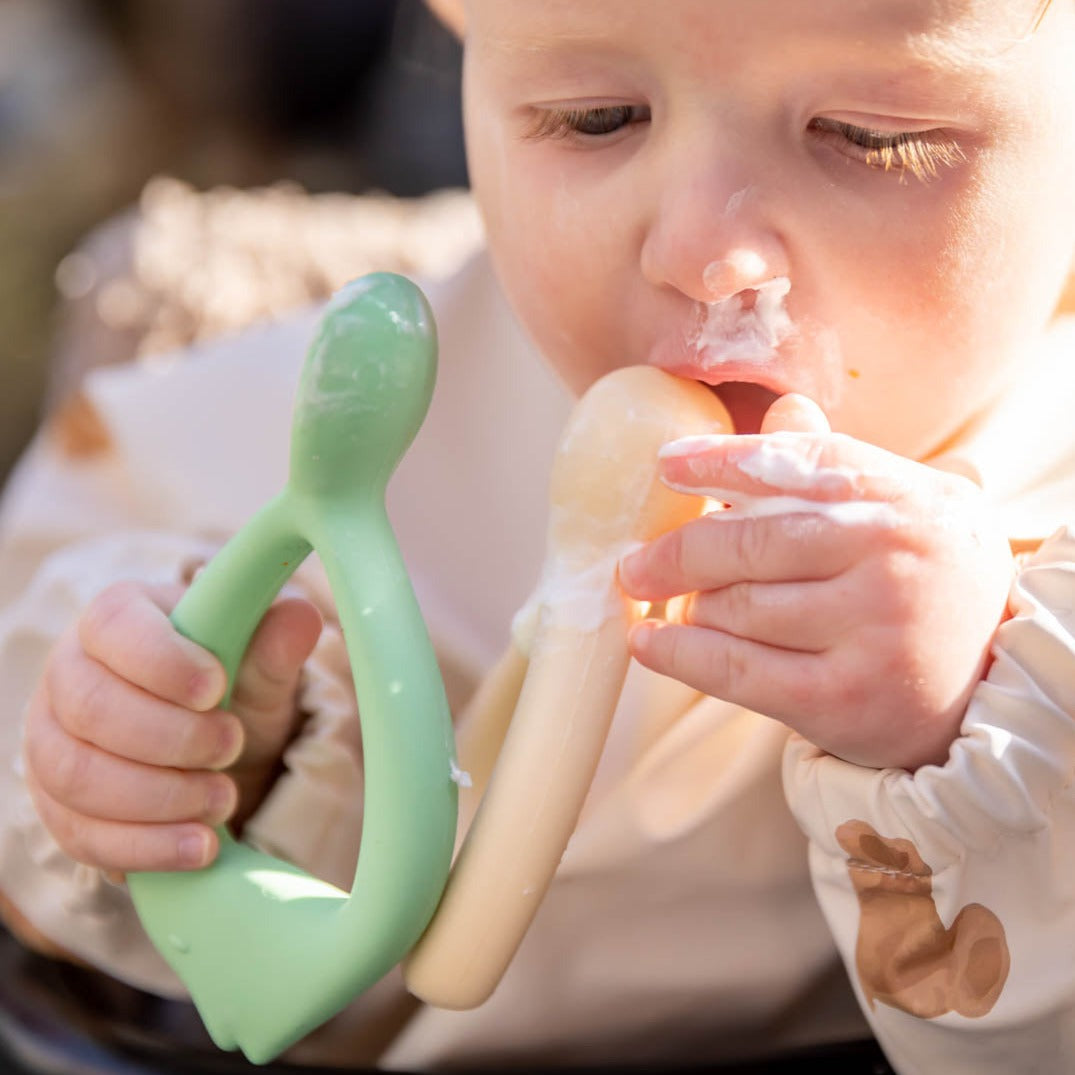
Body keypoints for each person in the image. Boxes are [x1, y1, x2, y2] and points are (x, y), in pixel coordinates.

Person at [2, 1, 1075, 1072]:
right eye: (594, 117)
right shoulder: (360, 416)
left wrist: (981, 731)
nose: (706, 248)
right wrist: (183, 749)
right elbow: (49, 689)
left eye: (872, 137)